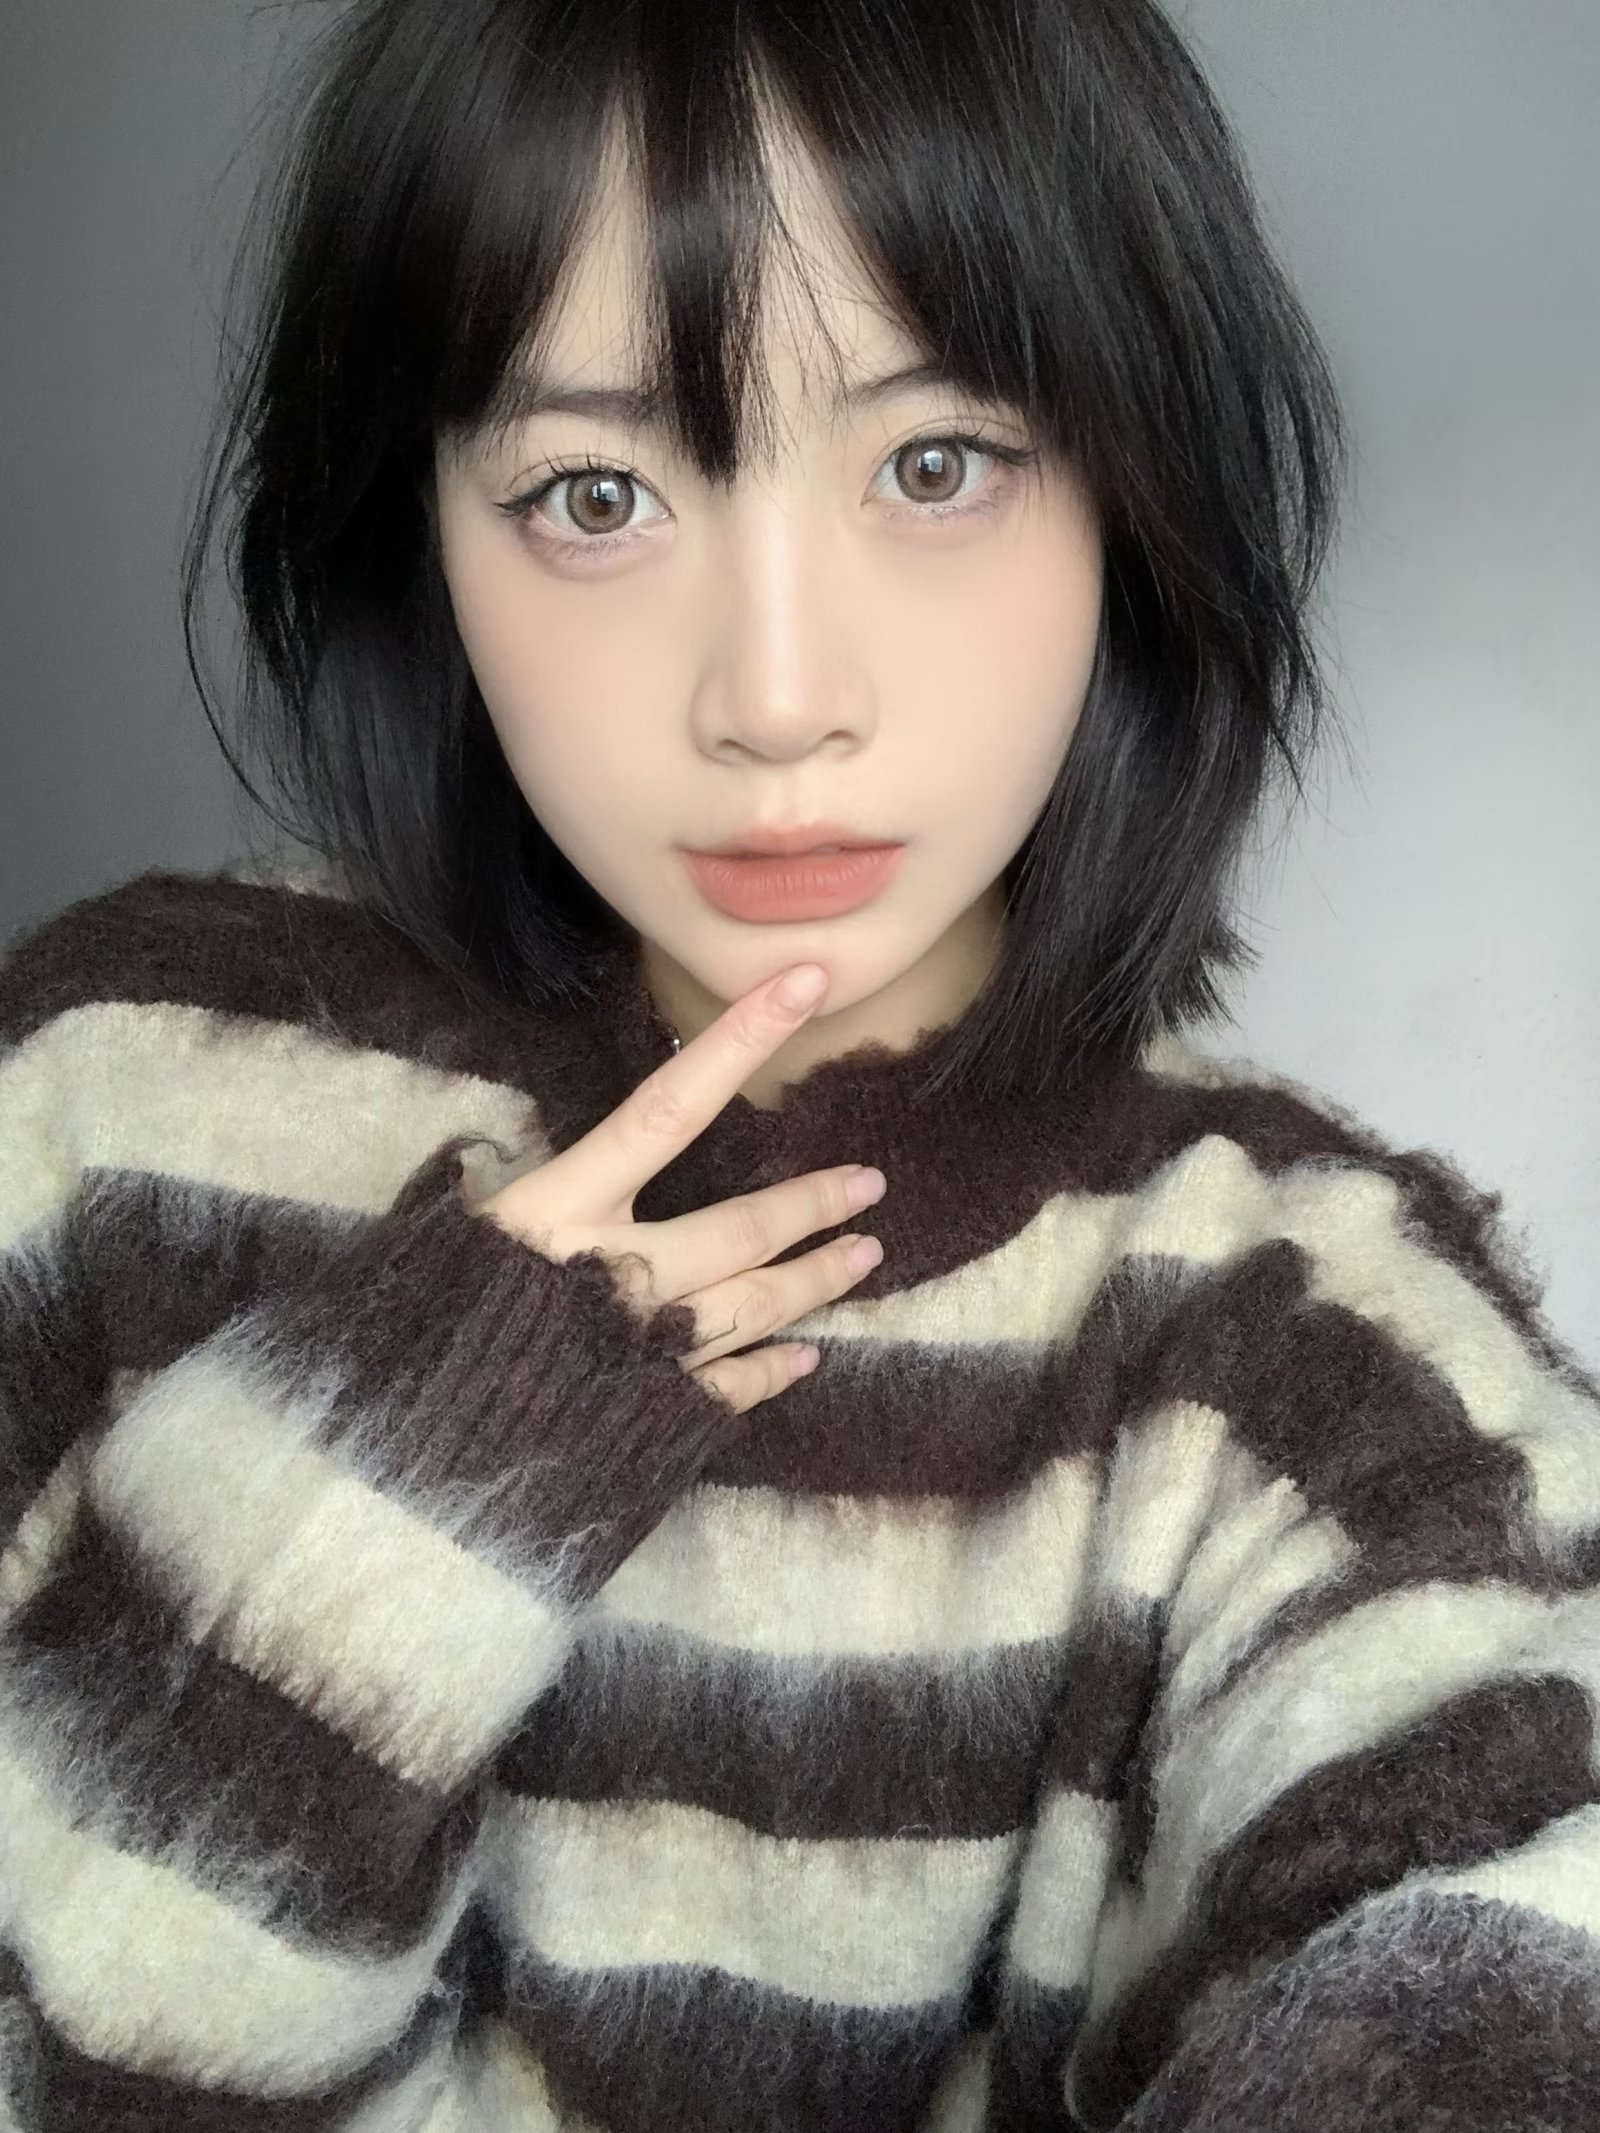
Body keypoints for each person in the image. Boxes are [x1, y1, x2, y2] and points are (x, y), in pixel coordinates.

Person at [1, 0, 1596, 2127]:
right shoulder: (106, 1112)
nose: (772, 695)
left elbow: (1516, 1915)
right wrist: (381, 1495)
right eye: (593, 494)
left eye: (933, 466)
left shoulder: (1305, 1339)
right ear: (420, 524)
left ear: (1136, 484)